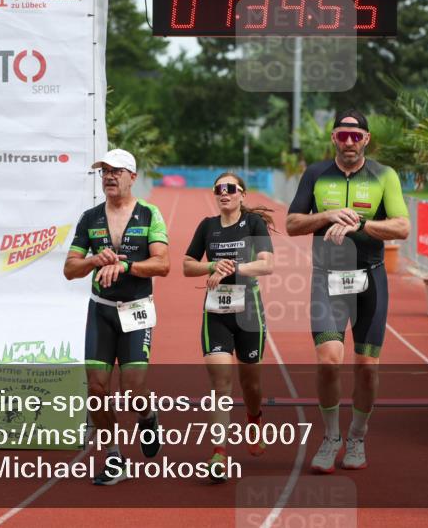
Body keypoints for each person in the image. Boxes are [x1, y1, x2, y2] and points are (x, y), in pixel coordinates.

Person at [285, 110, 409, 473]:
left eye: (356, 137)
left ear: (367, 139)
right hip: (327, 279)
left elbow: (402, 227)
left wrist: (361, 223)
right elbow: (292, 223)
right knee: (328, 361)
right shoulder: (315, 175)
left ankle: (357, 435)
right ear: (334, 139)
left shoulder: (385, 175)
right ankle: (331, 436)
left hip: (370, 278)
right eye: (343, 136)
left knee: (367, 367)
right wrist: (328, 216)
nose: (349, 143)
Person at [63, 148, 170, 486]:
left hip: (136, 309)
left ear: (132, 177)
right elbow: (70, 269)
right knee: (96, 388)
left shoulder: (150, 214)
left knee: (133, 390)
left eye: (116, 171)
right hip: (101, 310)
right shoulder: (90, 217)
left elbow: (163, 265)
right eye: (104, 171)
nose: (109, 176)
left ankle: (147, 415)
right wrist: (95, 261)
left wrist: (125, 265)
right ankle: (113, 456)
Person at [183, 172, 275, 483]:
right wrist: (211, 266)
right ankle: (219, 452)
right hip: (216, 313)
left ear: (242, 194)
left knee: (251, 385)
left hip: (249, 313)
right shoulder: (207, 226)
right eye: (219, 189)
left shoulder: (253, 225)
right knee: (221, 384)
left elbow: (267, 264)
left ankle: (254, 418)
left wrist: (233, 267)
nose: (225, 193)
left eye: (231, 188)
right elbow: (186, 265)